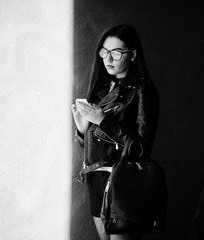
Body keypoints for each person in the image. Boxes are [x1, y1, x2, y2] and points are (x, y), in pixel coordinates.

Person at [71, 24, 159, 240]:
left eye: (117, 52)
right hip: (96, 178)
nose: (108, 59)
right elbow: (97, 143)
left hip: (124, 181)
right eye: (105, 51)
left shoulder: (143, 90)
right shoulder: (103, 88)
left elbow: (140, 148)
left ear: (132, 55)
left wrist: (102, 120)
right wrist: (83, 131)